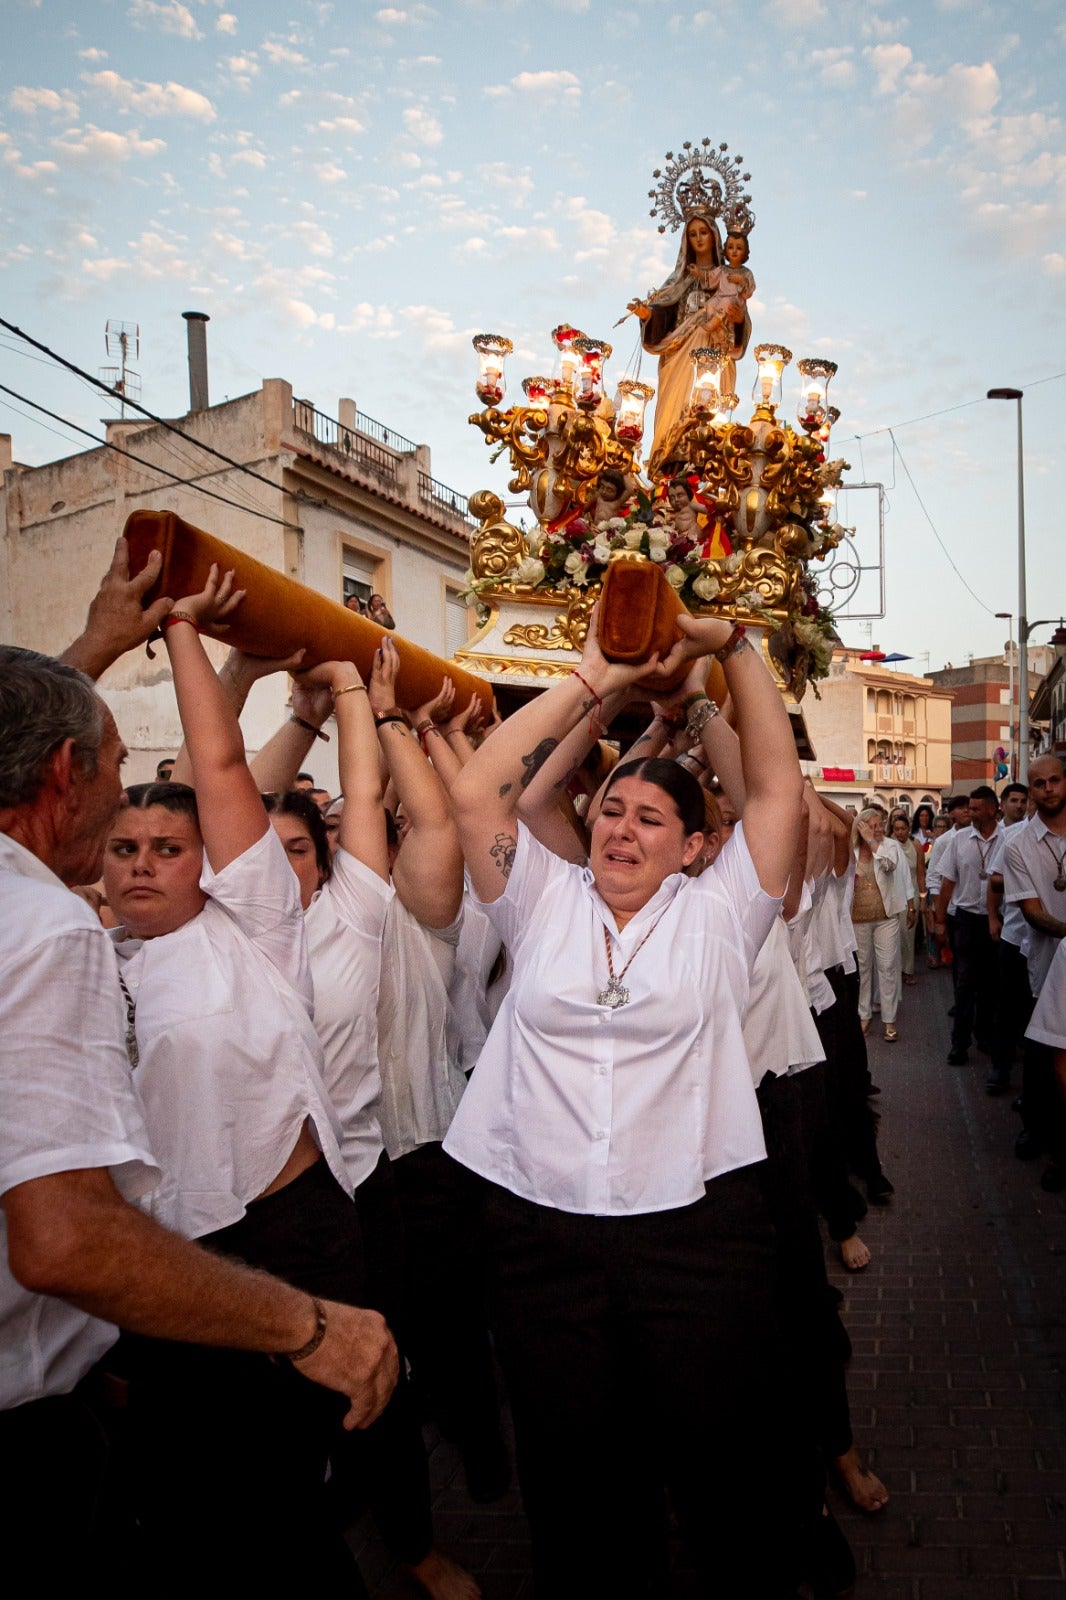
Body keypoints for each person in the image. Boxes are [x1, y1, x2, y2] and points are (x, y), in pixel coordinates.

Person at [0, 626, 395, 1581]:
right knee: (191, 1499)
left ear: (210, 866)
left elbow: (216, 760)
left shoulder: (251, 926)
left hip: (281, 1238)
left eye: (170, 848)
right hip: (149, 1261)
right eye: (125, 845)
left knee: (291, 1496)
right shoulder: (84, 948)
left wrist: (183, 623)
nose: (140, 863)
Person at [444, 606, 811, 1597]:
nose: (620, 827)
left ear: (695, 846)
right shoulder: (539, 897)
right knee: (571, 1470)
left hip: (694, 1233)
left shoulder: (722, 914)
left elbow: (777, 789)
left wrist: (731, 647)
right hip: (539, 1233)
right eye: (610, 808)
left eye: (651, 818)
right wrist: (596, 674)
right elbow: (481, 785)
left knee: (716, 1453)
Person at [627, 212, 751, 474]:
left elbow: (740, 319)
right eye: (693, 234)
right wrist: (648, 314)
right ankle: (670, 467)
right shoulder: (678, 281)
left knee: (711, 422)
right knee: (676, 412)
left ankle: (709, 467)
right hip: (681, 356)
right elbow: (664, 313)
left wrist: (738, 320)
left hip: (717, 355)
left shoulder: (728, 277)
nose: (698, 239)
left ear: (715, 237)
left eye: (703, 233)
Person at [934, 785, 1002, 1066]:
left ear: (990, 809)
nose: (969, 813)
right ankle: (959, 1044)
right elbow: (946, 882)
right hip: (966, 919)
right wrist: (940, 922)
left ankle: (984, 1036)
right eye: (969, 808)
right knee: (964, 984)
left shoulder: (1008, 839)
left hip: (998, 920)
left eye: (975, 808)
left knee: (990, 984)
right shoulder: (959, 840)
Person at [851, 807, 913, 1043]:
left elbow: (889, 865)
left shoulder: (889, 847)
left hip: (885, 917)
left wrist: (872, 841)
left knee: (887, 967)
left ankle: (889, 1020)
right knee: (863, 968)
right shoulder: (851, 850)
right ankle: (864, 1016)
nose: (878, 829)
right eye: (873, 825)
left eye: (880, 824)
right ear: (862, 826)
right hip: (858, 919)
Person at [890, 812, 924, 984]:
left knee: (908, 934)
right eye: (896, 829)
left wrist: (923, 898)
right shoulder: (888, 846)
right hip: (893, 895)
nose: (900, 832)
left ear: (909, 829)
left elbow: (920, 874)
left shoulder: (916, 846)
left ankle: (908, 970)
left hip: (912, 895)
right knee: (893, 935)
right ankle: (895, 971)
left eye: (903, 829)